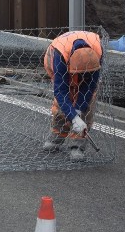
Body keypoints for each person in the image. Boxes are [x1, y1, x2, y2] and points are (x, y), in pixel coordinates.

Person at [41, 30, 103, 161]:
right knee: (63, 103)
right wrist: (73, 117)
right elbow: (60, 91)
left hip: (86, 66)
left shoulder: (97, 52)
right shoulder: (60, 56)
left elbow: (89, 86)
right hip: (61, 62)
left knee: (88, 105)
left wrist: (79, 110)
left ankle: (77, 146)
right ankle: (57, 135)